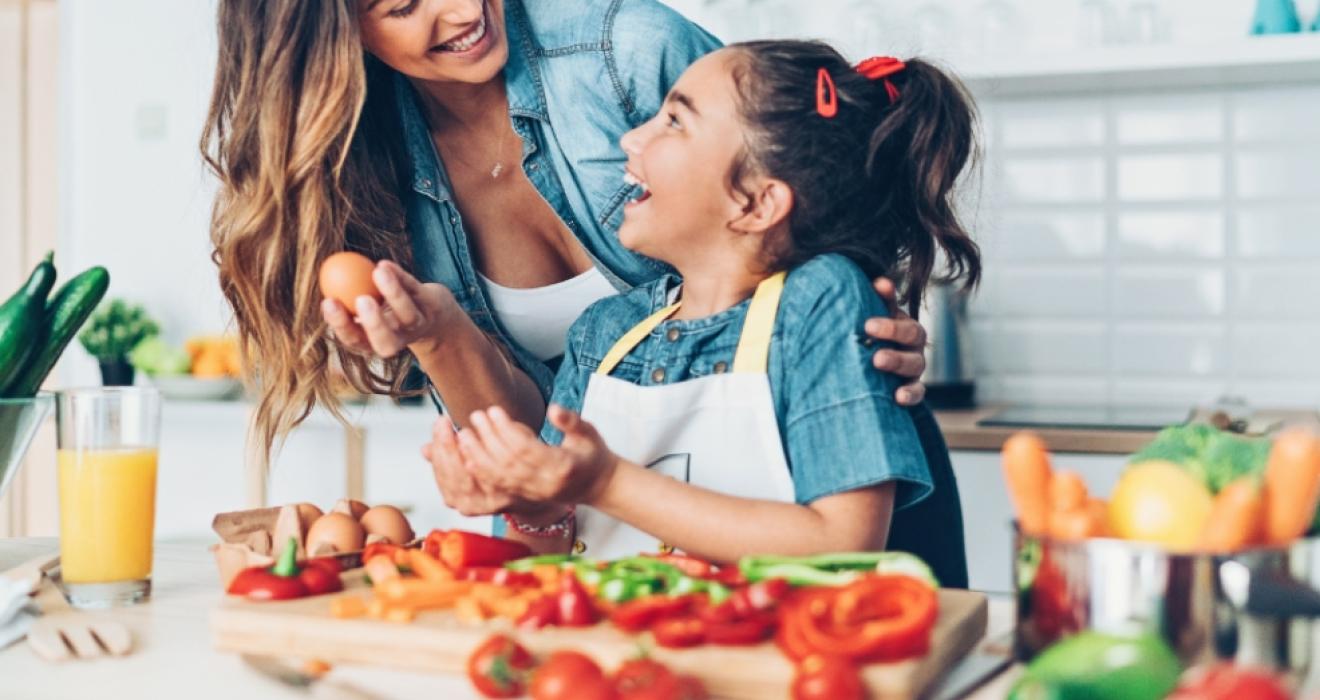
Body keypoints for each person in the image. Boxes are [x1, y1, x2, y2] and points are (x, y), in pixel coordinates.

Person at [202, 0, 931, 513]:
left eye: (665, 124)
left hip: (830, 479)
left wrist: (866, 313)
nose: (461, 11)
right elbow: (548, 463)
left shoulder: (628, 47)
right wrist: (440, 338)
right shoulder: (357, 173)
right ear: (335, 36)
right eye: (403, 5)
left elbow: (810, 181)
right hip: (634, 554)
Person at [423, 40, 981, 586]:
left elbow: (842, 547)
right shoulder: (604, 332)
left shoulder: (819, 300)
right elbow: (545, 556)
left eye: (674, 122)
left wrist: (607, 482)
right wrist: (528, 501)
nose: (631, 138)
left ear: (756, 203)